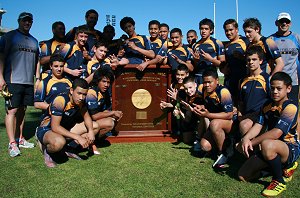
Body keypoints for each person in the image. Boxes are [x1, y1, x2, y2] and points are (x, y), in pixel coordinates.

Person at [237, 72, 300, 197]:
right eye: (272, 88)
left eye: (279, 88)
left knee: (267, 144)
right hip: (272, 147)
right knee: (243, 175)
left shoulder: (291, 107)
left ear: (288, 89)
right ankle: (279, 168)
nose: (275, 92)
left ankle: (278, 180)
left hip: (290, 148)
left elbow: (277, 133)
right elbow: (258, 125)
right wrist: (245, 139)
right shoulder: (267, 105)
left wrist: (251, 142)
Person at [35, 78, 100, 167]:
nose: (81, 97)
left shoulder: (81, 101)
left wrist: (91, 131)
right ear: (72, 90)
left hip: (65, 128)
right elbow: (55, 127)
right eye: (79, 93)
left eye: (84, 94)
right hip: (48, 128)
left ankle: (68, 148)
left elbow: (87, 116)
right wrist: (78, 137)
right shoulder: (60, 101)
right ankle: (48, 150)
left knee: (95, 126)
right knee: (58, 142)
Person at [0, 12, 39, 157]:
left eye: (29, 21)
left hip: (28, 81)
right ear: (19, 21)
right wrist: (0, 78)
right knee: (12, 111)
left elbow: (37, 60)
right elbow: (1, 57)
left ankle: (20, 138)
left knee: (23, 111)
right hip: (12, 80)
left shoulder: (34, 41)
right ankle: (12, 143)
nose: (27, 23)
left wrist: (38, 78)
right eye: (24, 21)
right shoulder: (8, 37)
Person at [192, 67, 235, 168]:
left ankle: (222, 154)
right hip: (214, 122)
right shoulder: (202, 89)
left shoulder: (223, 92)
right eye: (205, 82)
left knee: (214, 123)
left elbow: (229, 114)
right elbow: (206, 105)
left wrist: (208, 115)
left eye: (210, 82)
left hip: (230, 123)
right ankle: (225, 144)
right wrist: (200, 107)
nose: (207, 85)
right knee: (205, 146)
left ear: (217, 80)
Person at [269, 12, 300, 138]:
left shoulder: (297, 38)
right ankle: (276, 136)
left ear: (290, 23)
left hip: (293, 81)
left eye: (286, 21)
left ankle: (297, 137)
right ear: (276, 23)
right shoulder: (271, 40)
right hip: (276, 83)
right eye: (281, 21)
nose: (284, 24)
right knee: (276, 110)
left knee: (294, 110)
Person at [86, 68, 123, 151]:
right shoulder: (91, 93)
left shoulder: (104, 92)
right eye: (104, 81)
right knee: (109, 123)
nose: (106, 85)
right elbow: (94, 116)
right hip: (84, 123)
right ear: (97, 81)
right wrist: (112, 113)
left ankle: (95, 141)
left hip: (93, 121)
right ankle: (89, 142)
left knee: (113, 119)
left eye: (108, 82)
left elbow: (105, 110)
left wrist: (113, 114)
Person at [238, 46, 270, 137]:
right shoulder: (242, 80)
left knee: (244, 125)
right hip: (247, 115)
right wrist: (240, 114)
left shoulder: (267, 79)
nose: (251, 62)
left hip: (261, 116)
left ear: (261, 61)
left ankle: (250, 149)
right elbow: (240, 102)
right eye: (248, 60)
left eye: (254, 59)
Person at [222, 19, 249, 104]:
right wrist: (223, 69)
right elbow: (224, 63)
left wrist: (242, 58)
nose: (228, 33)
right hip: (229, 81)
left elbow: (254, 59)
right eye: (226, 31)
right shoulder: (226, 45)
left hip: (243, 79)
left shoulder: (245, 41)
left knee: (242, 105)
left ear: (236, 30)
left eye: (231, 30)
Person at [192, 18, 225, 84]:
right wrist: (196, 60)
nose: (203, 31)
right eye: (201, 28)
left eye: (206, 29)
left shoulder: (217, 43)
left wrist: (211, 59)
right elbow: (193, 66)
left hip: (211, 78)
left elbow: (223, 64)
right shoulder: (195, 45)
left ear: (211, 30)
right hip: (198, 77)